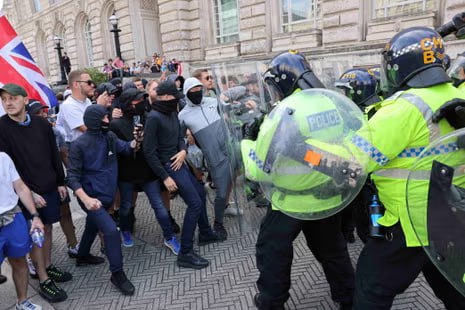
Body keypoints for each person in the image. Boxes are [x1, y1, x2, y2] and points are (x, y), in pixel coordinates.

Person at [350, 27, 465, 309]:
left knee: (370, 289)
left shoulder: (401, 108)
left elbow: (355, 159)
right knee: (452, 287)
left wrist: (313, 154)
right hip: (451, 216)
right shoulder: (455, 93)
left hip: (409, 224)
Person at [240, 51, 355, 310]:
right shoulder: (331, 103)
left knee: (272, 253)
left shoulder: (285, 113)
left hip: (290, 202)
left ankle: (272, 301)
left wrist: (248, 141)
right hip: (326, 196)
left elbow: (258, 170)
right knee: (333, 252)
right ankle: (348, 298)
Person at [0, 83, 70, 302]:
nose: (8, 103)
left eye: (13, 98)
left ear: (25, 99)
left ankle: (47, 266)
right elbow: (9, 170)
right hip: (25, 193)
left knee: (47, 229)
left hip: (49, 186)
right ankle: (43, 278)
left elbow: (53, 154)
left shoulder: (41, 124)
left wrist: (60, 181)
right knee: (34, 234)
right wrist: (30, 193)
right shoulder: (1, 128)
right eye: (4, 100)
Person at [143, 80, 221, 270]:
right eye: (174, 97)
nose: (177, 100)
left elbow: (180, 137)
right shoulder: (153, 118)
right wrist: (165, 177)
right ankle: (185, 252)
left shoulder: (172, 112)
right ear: (165, 97)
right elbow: (149, 151)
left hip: (180, 162)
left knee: (200, 195)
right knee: (194, 203)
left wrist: (184, 150)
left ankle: (204, 233)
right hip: (169, 167)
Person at [67, 104, 137, 295]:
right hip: (91, 198)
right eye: (105, 118)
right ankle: (117, 274)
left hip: (106, 196)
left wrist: (137, 140)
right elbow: (71, 177)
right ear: (95, 121)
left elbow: (127, 148)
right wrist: (86, 199)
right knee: (112, 232)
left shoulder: (110, 137)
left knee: (92, 224)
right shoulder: (78, 145)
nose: (109, 121)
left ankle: (82, 256)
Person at [110, 88, 180, 253]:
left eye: (143, 100)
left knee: (159, 207)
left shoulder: (149, 118)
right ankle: (126, 231)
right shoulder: (116, 124)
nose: (141, 103)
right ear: (128, 104)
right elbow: (117, 149)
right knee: (126, 207)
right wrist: (134, 143)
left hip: (148, 172)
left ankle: (169, 237)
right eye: (137, 101)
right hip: (127, 175)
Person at [180, 77, 235, 240]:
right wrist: (190, 148)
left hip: (231, 149)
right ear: (186, 93)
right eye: (193, 91)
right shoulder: (183, 115)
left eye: (199, 89)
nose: (197, 93)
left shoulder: (212, 101)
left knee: (244, 178)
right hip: (214, 157)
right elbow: (179, 138)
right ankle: (218, 223)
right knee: (221, 192)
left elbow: (230, 111)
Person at [334, 68, 382, 243]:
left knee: (369, 230)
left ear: (357, 90)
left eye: (347, 91)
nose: (344, 96)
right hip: (359, 180)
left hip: (369, 183)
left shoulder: (372, 113)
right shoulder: (360, 111)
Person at [0, 151, 45, 310]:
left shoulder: (3, 157)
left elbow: (19, 186)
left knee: (19, 260)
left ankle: (22, 301)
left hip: (13, 217)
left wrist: (35, 216)